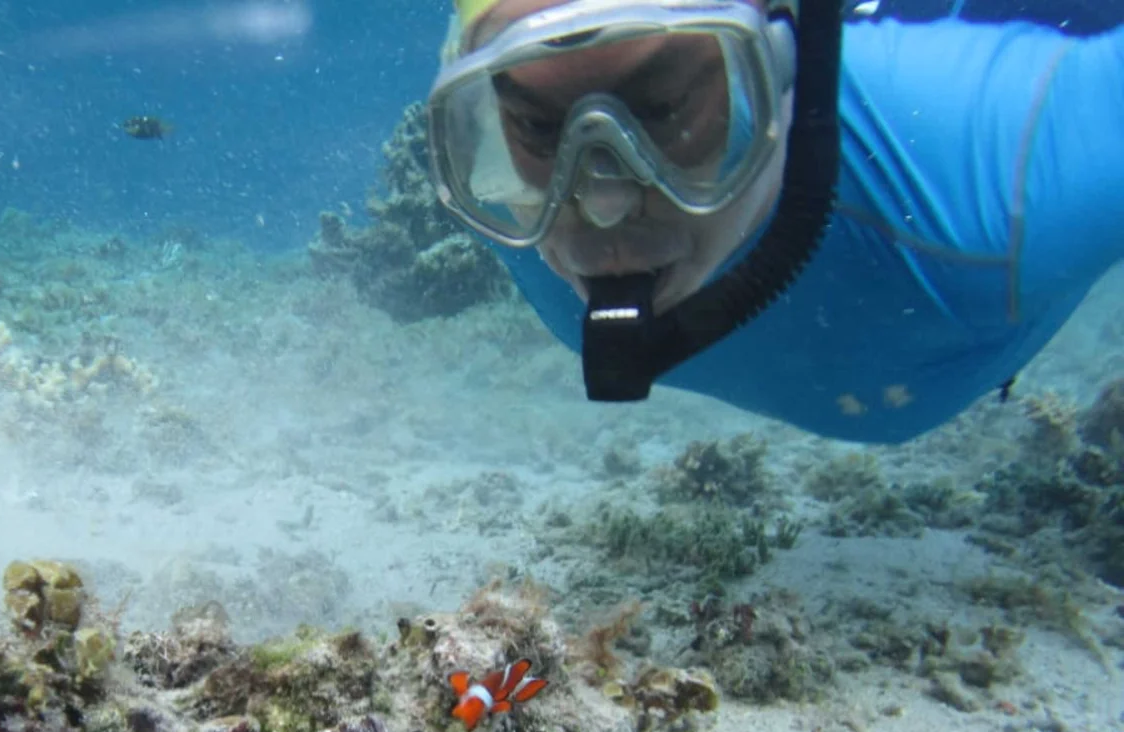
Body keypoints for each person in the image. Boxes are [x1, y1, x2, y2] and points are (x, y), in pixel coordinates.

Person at [424, 0, 1124, 441]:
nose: (602, 205)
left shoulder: (1001, 171)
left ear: (786, 66)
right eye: (537, 129)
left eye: (663, 108)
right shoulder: (503, 204)